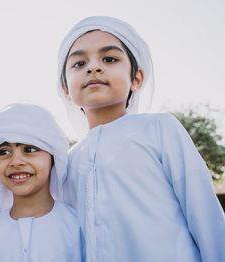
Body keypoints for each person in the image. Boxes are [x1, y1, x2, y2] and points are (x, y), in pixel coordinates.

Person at [57, 16, 225, 262]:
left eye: (109, 59)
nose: (93, 68)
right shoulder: (68, 160)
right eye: (79, 63)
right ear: (65, 91)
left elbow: (205, 214)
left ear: (137, 79)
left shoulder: (159, 129)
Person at [0, 103, 84, 262]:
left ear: (53, 158)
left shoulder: (78, 226)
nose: (16, 161)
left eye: (30, 149)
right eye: (4, 152)